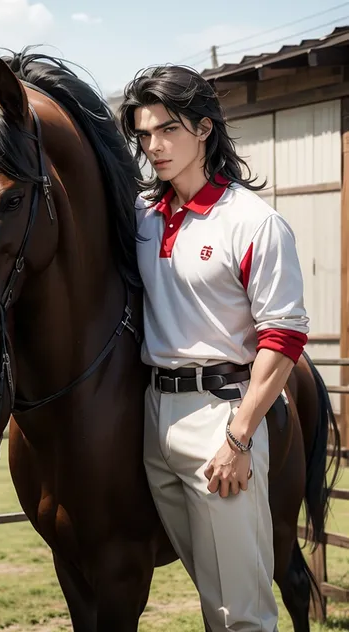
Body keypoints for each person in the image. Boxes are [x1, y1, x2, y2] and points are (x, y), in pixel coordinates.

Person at [119, 65, 309, 631]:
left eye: (168, 130)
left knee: (242, 610)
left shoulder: (253, 223)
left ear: (204, 129)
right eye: (144, 134)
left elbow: (282, 339)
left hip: (222, 414)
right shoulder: (142, 218)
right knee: (213, 593)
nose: (154, 146)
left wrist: (238, 437)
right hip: (157, 415)